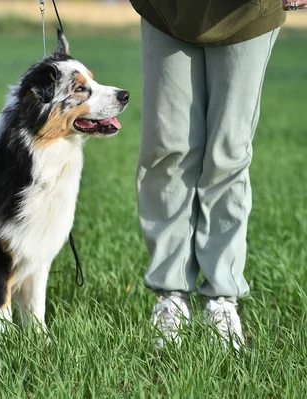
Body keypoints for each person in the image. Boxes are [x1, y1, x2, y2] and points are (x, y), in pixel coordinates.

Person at [129, 0, 303, 349]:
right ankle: (170, 296)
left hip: (248, 10)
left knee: (229, 153)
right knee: (166, 148)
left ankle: (221, 299)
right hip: (167, 9)